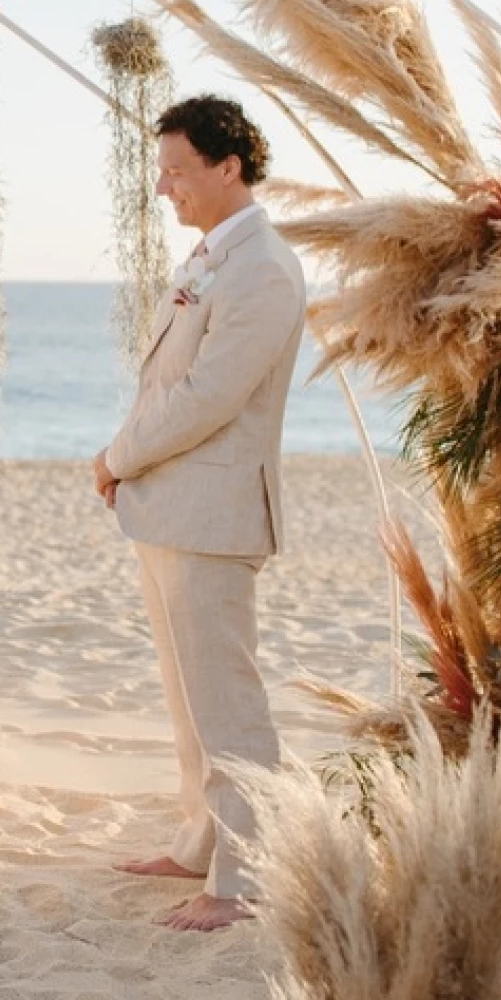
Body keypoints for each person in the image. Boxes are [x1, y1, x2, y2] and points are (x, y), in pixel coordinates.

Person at [92, 95, 306, 933]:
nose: (164, 186)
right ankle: (200, 839)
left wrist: (118, 456)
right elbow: (168, 381)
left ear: (229, 167)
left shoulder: (263, 267)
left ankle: (246, 875)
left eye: (178, 170)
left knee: (226, 701)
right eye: (162, 169)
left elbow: (212, 395)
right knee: (186, 695)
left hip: (215, 509)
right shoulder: (213, 258)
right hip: (171, 505)